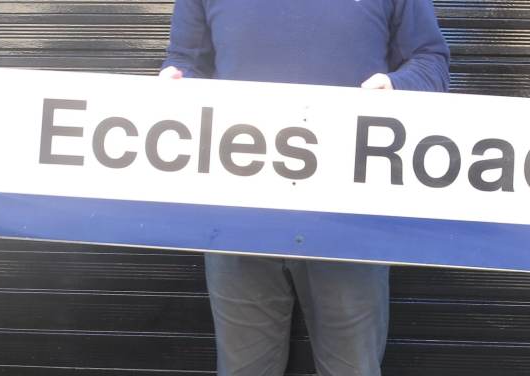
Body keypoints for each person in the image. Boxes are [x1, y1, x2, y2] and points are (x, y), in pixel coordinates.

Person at [160, 1, 450, 375]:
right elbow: (186, 63)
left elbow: (432, 62)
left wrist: (397, 86)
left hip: (350, 219)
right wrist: (175, 88)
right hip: (237, 216)